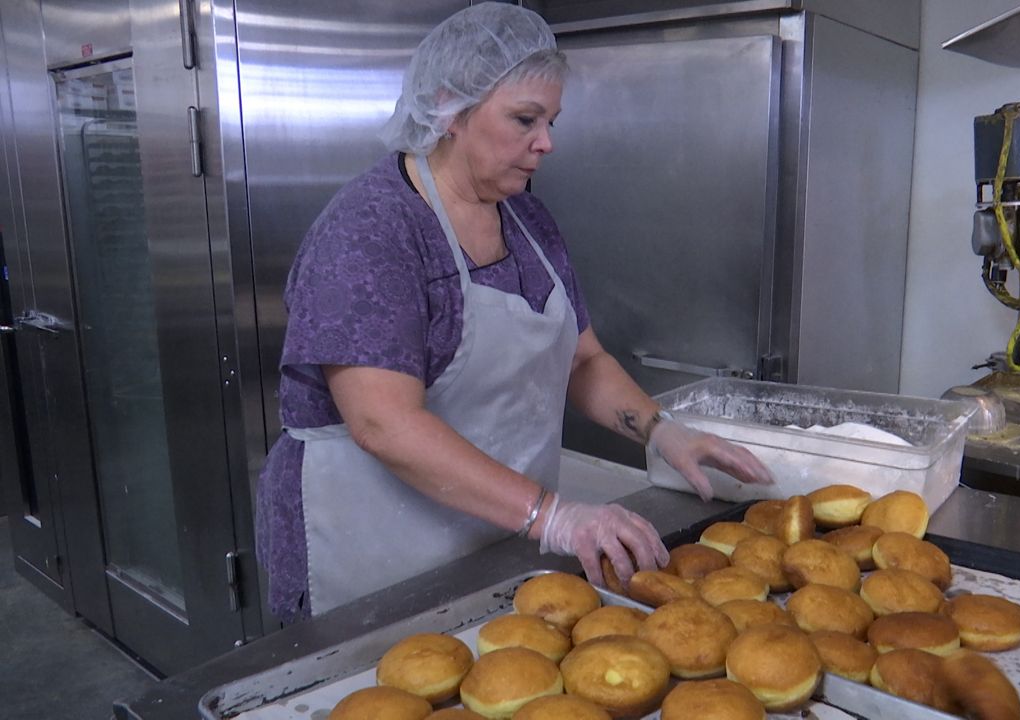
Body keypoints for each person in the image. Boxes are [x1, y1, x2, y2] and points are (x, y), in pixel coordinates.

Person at [255, 2, 772, 623]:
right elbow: (382, 423)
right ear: (450, 106)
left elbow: (584, 360)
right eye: (525, 119)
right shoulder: (371, 230)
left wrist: (663, 432)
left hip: (489, 533)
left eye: (551, 120)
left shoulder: (527, 219)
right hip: (370, 551)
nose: (546, 143)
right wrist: (551, 515)